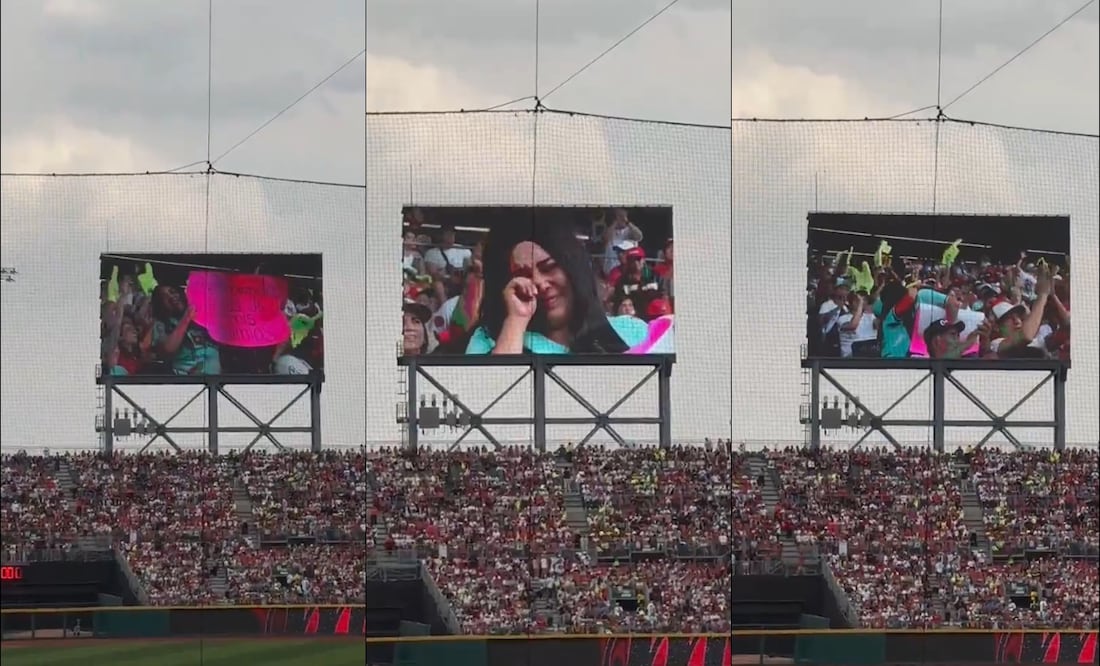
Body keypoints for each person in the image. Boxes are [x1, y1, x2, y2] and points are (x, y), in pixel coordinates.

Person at [468, 220, 650, 355]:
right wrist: (515, 322)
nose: (540, 282)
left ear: (573, 269)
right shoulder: (488, 340)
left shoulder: (631, 330)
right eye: (522, 275)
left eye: (549, 267)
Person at [150, 284, 221, 375]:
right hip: (187, 384)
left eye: (172, 292)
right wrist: (186, 318)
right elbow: (167, 349)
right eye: (165, 297)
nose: (172, 297)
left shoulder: (205, 317)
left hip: (216, 383)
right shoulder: (161, 324)